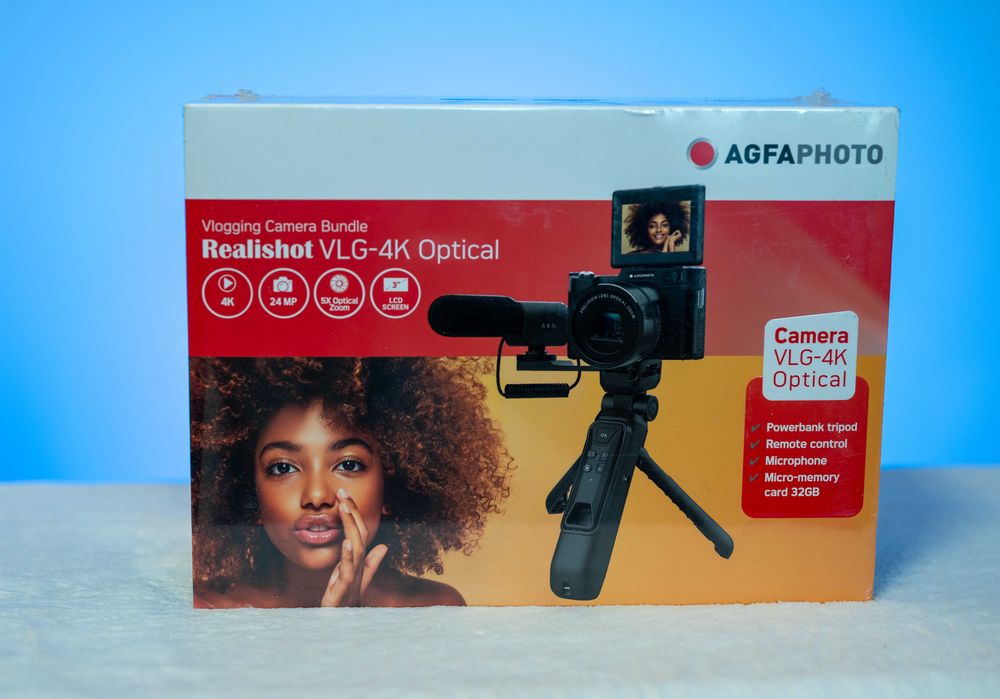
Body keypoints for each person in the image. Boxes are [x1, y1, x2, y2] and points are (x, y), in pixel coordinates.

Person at [190, 356, 512, 608]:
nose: (317, 495)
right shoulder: (211, 610)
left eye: (348, 464)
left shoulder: (433, 609)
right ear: (250, 494)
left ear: (392, 486)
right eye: (283, 468)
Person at [623, 200, 691, 254]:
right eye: (652, 226)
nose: (658, 230)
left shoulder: (675, 253)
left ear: (672, 227)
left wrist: (670, 245)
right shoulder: (633, 256)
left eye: (664, 225)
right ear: (645, 229)